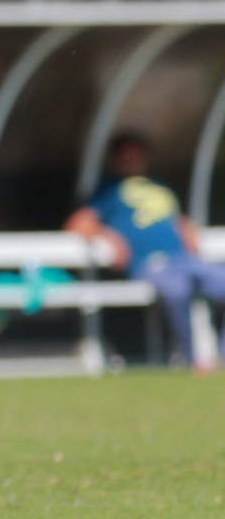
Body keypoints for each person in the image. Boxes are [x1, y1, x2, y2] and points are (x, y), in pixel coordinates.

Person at [67, 132, 225, 371]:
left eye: (137, 154)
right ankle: (194, 360)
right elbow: (79, 222)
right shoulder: (108, 191)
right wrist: (108, 236)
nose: (134, 160)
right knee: (177, 291)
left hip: (182, 259)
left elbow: (175, 219)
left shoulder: (158, 186)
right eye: (127, 155)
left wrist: (188, 232)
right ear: (115, 158)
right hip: (151, 263)